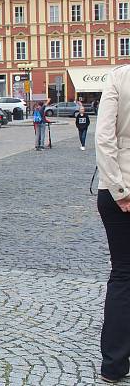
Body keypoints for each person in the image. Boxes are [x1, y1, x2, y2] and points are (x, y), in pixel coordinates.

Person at [95, 64, 130, 383]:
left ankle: (114, 364)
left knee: (122, 274)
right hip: (120, 192)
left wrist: (119, 189)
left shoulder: (119, 78)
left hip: (115, 190)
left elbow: (104, 138)